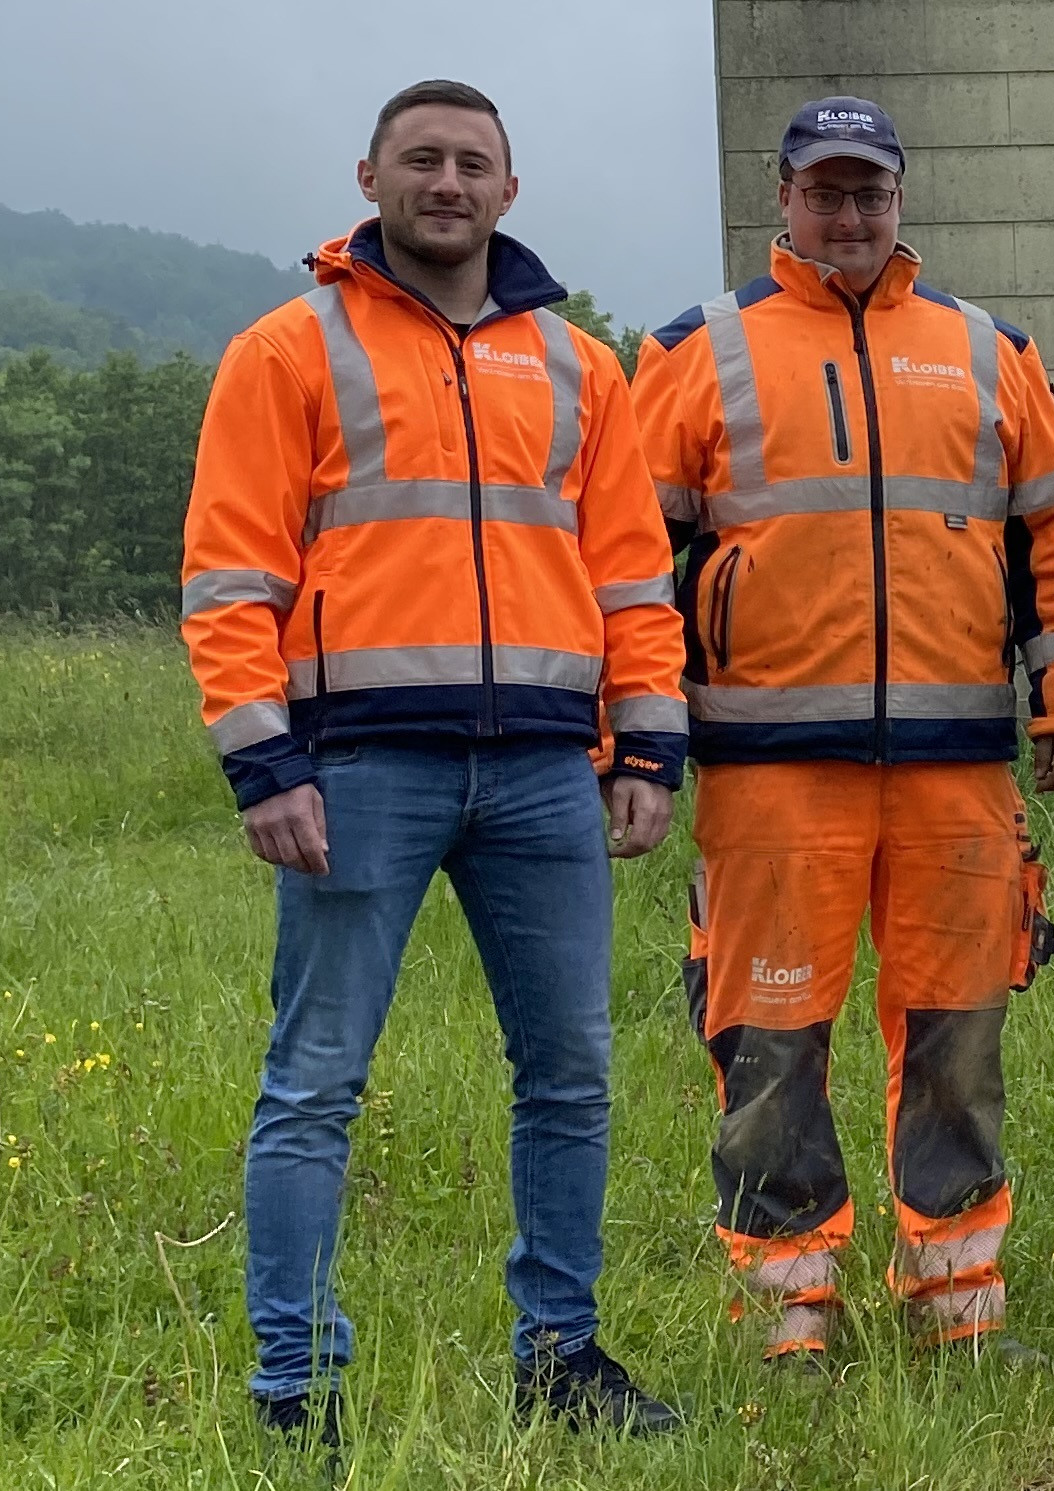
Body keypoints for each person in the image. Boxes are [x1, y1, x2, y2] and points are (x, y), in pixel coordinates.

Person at [179, 78, 684, 1442]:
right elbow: (228, 578)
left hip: (542, 774)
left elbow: (634, 574)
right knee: (317, 1079)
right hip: (357, 772)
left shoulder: (582, 365)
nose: (447, 182)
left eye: (472, 163)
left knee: (570, 1068)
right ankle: (298, 1384)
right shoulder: (288, 350)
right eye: (422, 161)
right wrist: (261, 762)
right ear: (372, 177)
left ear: (509, 192)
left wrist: (647, 739)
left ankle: (560, 1356)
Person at [630, 96, 1054, 1366]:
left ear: (902, 198)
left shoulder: (992, 351)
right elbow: (627, 561)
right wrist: (642, 734)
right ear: (781, 198)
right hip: (770, 775)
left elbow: (1053, 538)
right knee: (771, 1044)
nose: (849, 213)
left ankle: (957, 1304)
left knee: (957, 1041)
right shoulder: (698, 351)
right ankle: (787, 1309)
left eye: (869, 190)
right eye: (824, 190)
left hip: (952, 771)